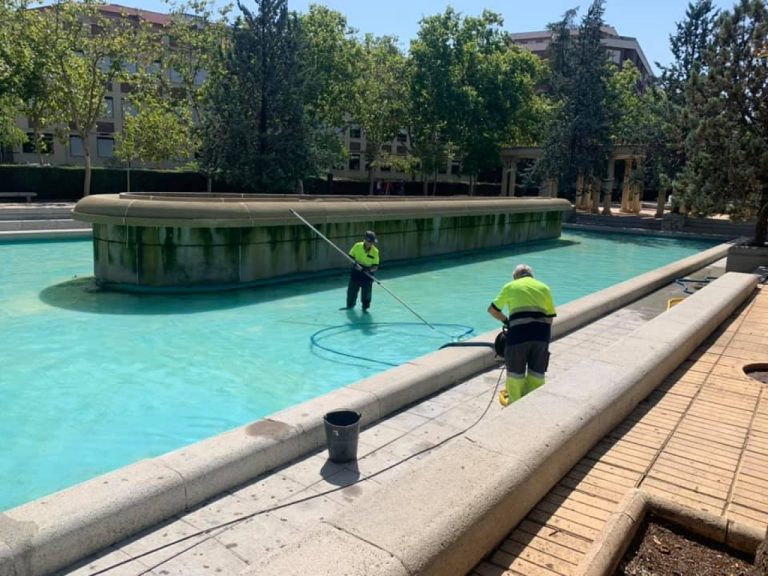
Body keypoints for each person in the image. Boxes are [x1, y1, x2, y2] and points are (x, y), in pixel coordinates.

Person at [487, 264, 556, 406]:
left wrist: (507, 321)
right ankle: (534, 405)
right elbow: (550, 318)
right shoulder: (544, 288)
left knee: (515, 376)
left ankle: (515, 406)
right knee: (537, 374)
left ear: (515, 277)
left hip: (518, 337)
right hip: (541, 337)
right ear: (532, 276)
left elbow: (492, 310)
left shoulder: (511, 286)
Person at [344, 230, 380, 312]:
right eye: (369, 242)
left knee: (366, 295)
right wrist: (355, 264)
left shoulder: (375, 251)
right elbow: (350, 257)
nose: (370, 244)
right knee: (351, 293)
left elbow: (375, 266)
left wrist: (367, 269)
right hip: (356, 272)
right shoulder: (357, 246)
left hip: (367, 275)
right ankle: (350, 307)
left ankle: (365, 309)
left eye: (372, 242)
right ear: (365, 240)